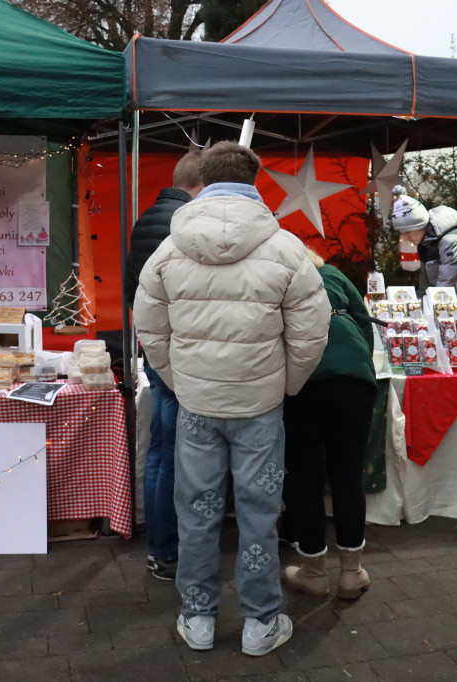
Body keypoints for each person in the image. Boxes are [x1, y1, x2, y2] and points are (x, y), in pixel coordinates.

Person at [133, 141, 330, 656]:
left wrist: (179, 380)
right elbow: (312, 331)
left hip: (197, 404)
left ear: (202, 178)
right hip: (260, 407)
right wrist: (283, 384)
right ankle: (260, 623)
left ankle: (197, 617)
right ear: (254, 179)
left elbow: (148, 326)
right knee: (258, 512)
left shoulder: (168, 250)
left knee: (196, 509)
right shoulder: (286, 247)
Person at [124, 151, 204, 582]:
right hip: (176, 350)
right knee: (173, 451)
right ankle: (168, 550)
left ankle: (161, 547)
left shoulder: (147, 218)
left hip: (154, 345)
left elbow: (132, 291)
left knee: (160, 449)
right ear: (202, 186)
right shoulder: (183, 224)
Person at [280, 248, 377, 600]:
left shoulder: (280, 278)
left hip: (302, 382)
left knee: (305, 477)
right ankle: (352, 573)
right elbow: (364, 325)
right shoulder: (334, 275)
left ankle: (313, 572)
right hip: (354, 377)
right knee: (348, 475)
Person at [389, 185, 457, 320]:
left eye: (407, 232)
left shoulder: (452, 241)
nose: (404, 238)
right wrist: (416, 310)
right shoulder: (426, 240)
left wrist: (422, 316)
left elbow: (447, 287)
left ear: (419, 225)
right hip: (454, 308)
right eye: (402, 233)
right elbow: (426, 287)